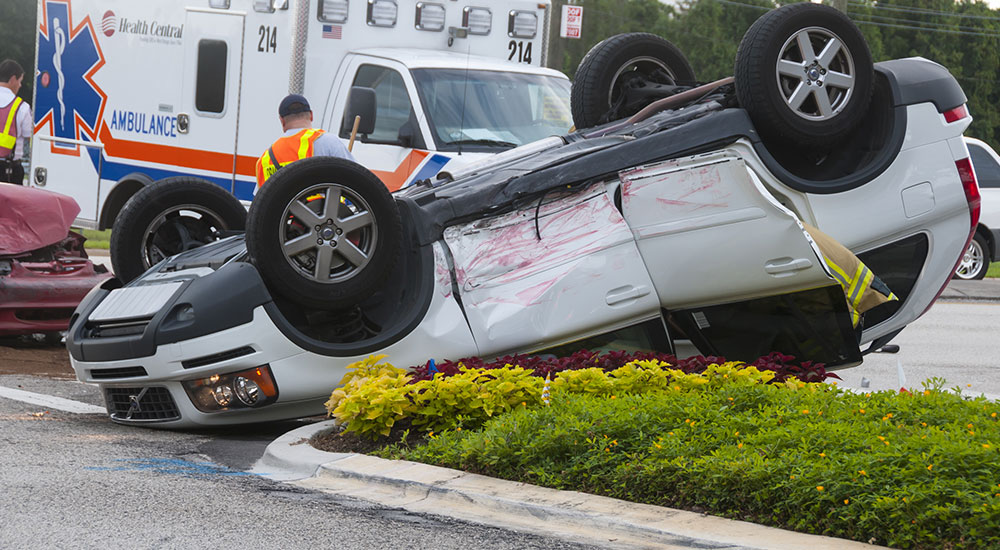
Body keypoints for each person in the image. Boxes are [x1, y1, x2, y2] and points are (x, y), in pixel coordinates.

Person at [254, 93, 356, 191]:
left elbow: (260, 201)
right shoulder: (329, 143)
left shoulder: (265, 160)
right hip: (326, 209)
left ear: (282, 121)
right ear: (311, 115)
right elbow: (357, 178)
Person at [0, 59, 32, 185]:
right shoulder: (21, 107)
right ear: (13, 79)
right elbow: (31, 139)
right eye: (20, 81)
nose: (20, 85)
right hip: (9, 173)